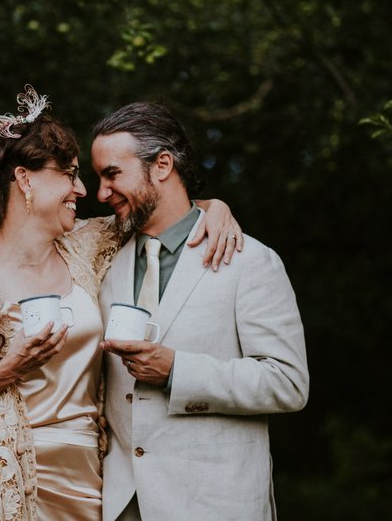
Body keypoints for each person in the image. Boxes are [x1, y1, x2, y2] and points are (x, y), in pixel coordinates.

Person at [0, 87, 242, 520]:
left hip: (90, 483)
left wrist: (214, 207)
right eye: (69, 174)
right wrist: (10, 369)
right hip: (8, 483)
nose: (82, 189)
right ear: (25, 179)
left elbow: (159, 210)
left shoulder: (89, 246)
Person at [92, 102, 309, 521]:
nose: (101, 193)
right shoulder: (102, 258)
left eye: (113, 174)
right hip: (122, 505)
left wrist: (177, 371)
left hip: (216, 505)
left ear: (162, 165)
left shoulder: (249, 261)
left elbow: (288, 382)